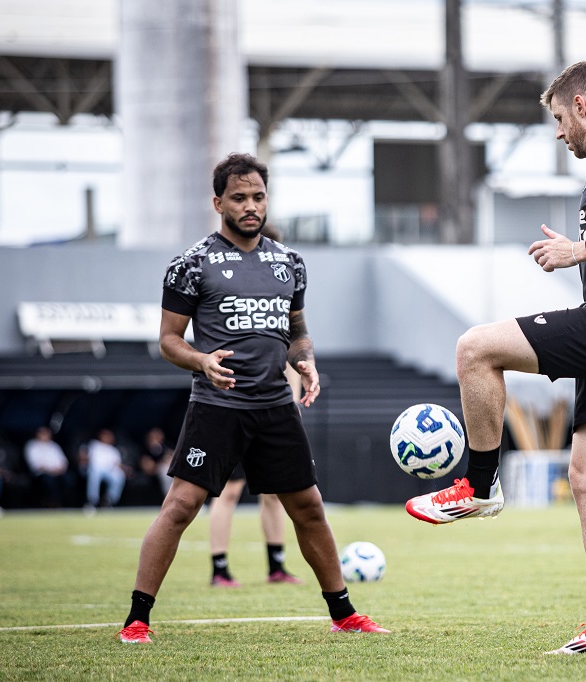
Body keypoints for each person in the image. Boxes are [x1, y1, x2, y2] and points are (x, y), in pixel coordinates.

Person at [405, 61, 586, 656]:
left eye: (559, 119)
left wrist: (581, 252)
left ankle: (479, 487)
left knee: (474, 348)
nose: (560, 132)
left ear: (582, 105)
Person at [119, 153, 388, 644]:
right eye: (239, 198)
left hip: (274, 408)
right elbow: (168, 340)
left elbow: (298, 331)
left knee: (308, 509)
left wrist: (304, 360)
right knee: (180, 507)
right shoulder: (191, 264)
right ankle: (137, 620)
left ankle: (345, 613)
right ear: (218, 201)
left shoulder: (289, 262)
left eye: (258, 197)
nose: (250, 206)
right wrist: (201, 361)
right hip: (217, 408)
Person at [207, 224, 304, 588]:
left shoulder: (282, 296)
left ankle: (276, 567)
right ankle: (220, 569)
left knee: (276, 494)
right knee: (228, 490)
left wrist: (292, 401)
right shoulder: (230, 292)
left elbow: (290, 354)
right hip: (234, 406)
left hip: (274, 409)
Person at [24, 426, 73, 508]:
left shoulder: (54, 446)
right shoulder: (32, 445)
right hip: (42, 473)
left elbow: (64, 461)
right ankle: (51, 503)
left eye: (47, 433)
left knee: (69, 478)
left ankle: (63, 503)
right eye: (43, 433)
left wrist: (60, 469)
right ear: (38, 434)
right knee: (49, 480)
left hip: (58, 472)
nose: (45, 435)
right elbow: (35, 464)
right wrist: (51, 471)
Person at [80, 428, 127, 510]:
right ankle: (92, 501)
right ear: (100, 436)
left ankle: (108, 500)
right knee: (95, 473)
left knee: (119, 475)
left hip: (109, 471)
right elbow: (84, 457)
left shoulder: (113, 450)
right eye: (105, 435)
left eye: (109, 436)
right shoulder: (94, 445)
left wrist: (125, 469)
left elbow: (117, 464)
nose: (108, 438)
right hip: (95, 470)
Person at [138, 427, 173, 500]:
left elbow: (174, 460)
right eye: (154, 436)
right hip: (155, 474)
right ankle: (170, 499)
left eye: (158, 435)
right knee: (165, 471)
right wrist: (162, 462)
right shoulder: (145, 450)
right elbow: (148, 469)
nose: (156, 438)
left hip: (170, 471)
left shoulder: (166, 447)